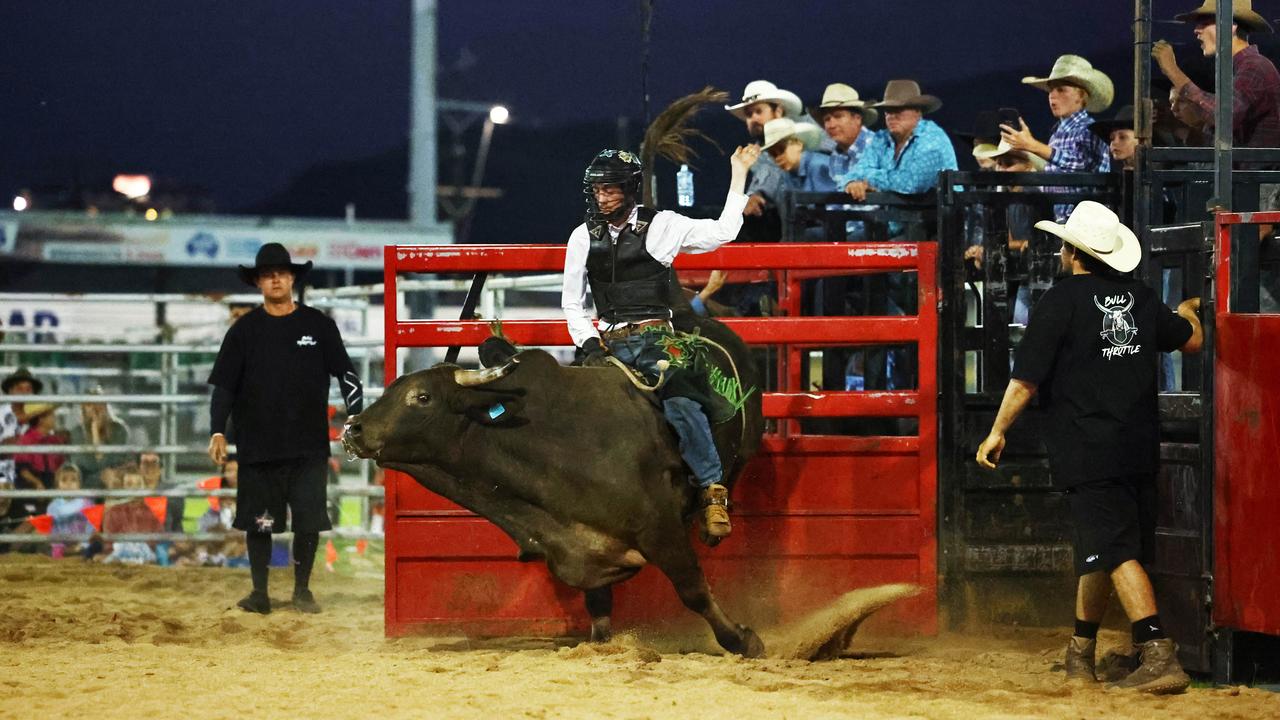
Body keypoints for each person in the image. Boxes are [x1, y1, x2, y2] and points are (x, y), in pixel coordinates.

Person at [976, 201, 1204, 694]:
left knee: (1114, 548)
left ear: (1073, 252)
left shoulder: (1060, 302)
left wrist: (997, 431)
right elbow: (1191, 341)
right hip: (1137, 444)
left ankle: (1158, 650)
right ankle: (1081, 650)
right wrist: (1186, 311)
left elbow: (1026, 379)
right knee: (1105, 547)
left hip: (1087, 445)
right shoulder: (1142, 299)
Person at [562, 145, 757, 541]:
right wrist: (588, 340)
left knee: (683, 403)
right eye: (598, 190)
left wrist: (738, 175)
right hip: (608, 342)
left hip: (658, 339)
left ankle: (711, 490)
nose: (602, 197)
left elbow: (721, 232)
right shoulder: (583, 236)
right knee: (571, 410)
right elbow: (572, 301)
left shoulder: (662, 225)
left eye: (610, 189)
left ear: (629, 190)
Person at [207, 242, 363, 615]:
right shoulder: (243, 331)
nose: (275, 279)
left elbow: (347, 375)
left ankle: (302, 590)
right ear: (259, 282)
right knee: (259, 522)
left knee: (308, 520)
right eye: (267, 274)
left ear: (292, 278)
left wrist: (355, 417)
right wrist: (217, 431)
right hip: (258, 447)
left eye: (281, 272)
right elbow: (224, 386)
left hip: (308, 446)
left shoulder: (319, 326)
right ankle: (259, 592)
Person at [1153, 1, 1280, 151]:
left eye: (1205, 22)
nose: (1196, 30)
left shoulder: (1255, 67)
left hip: (1255, 173)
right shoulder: (1236, 70)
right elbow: (1221, 137)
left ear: (1230, 26)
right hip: (1244, 172)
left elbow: (1224, 117)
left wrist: (1172, 70)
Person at [1002, 54, 1113, 221]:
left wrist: (1032, 146)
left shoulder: (1091, 129)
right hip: (1062, 221)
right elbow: (1055, 178)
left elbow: (1080, 164)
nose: (1052, 96)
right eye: (1051, 90)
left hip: (1087, 223)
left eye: (1061, 90)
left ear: (1081, 96)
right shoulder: (1057, 133)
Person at [840, 79, 959, 203]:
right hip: (900, 219)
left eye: (898, 110)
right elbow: (853, 173)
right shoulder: (881, 139)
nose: (891, 116)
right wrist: (852, 183)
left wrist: (867, 180)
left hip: (944, 218)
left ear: (917, 111)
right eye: (887, 110)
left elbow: (912, 183)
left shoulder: (933, 138)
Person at [724, 79, 806, 221]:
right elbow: (762, 183)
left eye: (758, 111)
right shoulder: (758, 154)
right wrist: (753, 197)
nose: (754, 118)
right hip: (785, 220)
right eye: (749, 115)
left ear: (779, 111)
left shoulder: (806, 136)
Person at [807, 83, 879, 191]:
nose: (831, 125)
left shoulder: (880, 148)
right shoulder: (836, 156)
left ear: (857, 119)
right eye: (827, 119)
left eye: (838, 116)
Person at [67, 390, 132, 491]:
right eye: (89, 405)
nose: (95, 409)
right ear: (83, 410)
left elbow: (118, 462)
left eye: (98, 404)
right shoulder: (77, 433)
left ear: (105, 406)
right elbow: (84, 466)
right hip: (87, 483)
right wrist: (95, 432)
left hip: (116, 481)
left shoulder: (120, 430)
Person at [1, 368, 43, 526]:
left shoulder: (41, 417)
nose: (24, 393)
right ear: (10, 391)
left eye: (28, 389)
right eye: (19, 388)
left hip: (30, 473)